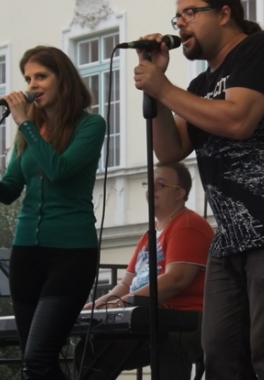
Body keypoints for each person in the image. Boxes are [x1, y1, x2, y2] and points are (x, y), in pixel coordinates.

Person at [132, 0, 264, 380]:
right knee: (219, 352)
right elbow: (169, 150)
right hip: (231, 236)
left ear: (225, 14)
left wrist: (165, 88)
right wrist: (155, 90)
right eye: (177, 16)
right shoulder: (200, 85)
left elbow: (239, 120)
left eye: (191, 12)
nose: (180, 23)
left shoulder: (260, 50)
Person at [0, 46, 106, 379]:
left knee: (38, 358)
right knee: (34, 364)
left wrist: (24, 124)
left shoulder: (90, 125)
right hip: (26, 254)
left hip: (71, 253)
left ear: (63, 80)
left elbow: (59, 170)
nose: (32, 85)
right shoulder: (29, 132)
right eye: (28, 78)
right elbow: (10, 192)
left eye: (41, 76)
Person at [75, 162, 213, 380]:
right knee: (93, 347)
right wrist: (95, 307)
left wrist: (125, 302)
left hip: (187, 318)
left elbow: (177, 279)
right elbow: (125, 285)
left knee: (168, 345)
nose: (151, 190)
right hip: (151, 319)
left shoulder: (188, 225)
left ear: (180, 193)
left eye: (160, 185)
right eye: (149, 184)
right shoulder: (149, 235)